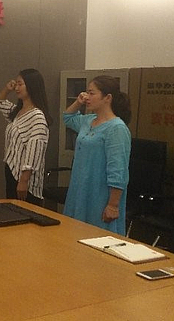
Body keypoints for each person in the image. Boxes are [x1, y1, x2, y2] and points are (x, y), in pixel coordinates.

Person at [63, 75, 131, 235]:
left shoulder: (116, 128)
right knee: (73, 234)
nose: (87, 97)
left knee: (95, 237)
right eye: (87, 92)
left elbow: (118, 170)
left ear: (107, 98)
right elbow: (67, 117)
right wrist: (78, 102)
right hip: (80, 188)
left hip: (99, 193)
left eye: (92, 93)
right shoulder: (88, 120)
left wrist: (113, 205)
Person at [0, 69, 51, 206]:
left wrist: (24, 180)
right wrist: (7, 89)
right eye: (16, 84)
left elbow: (34, 150)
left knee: (24, 212)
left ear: (31, 86)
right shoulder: (18, 111)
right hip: (11, 170)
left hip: (25, 178)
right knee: (10, 210)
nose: (17, 88)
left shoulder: (37, 116)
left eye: (20, 84)